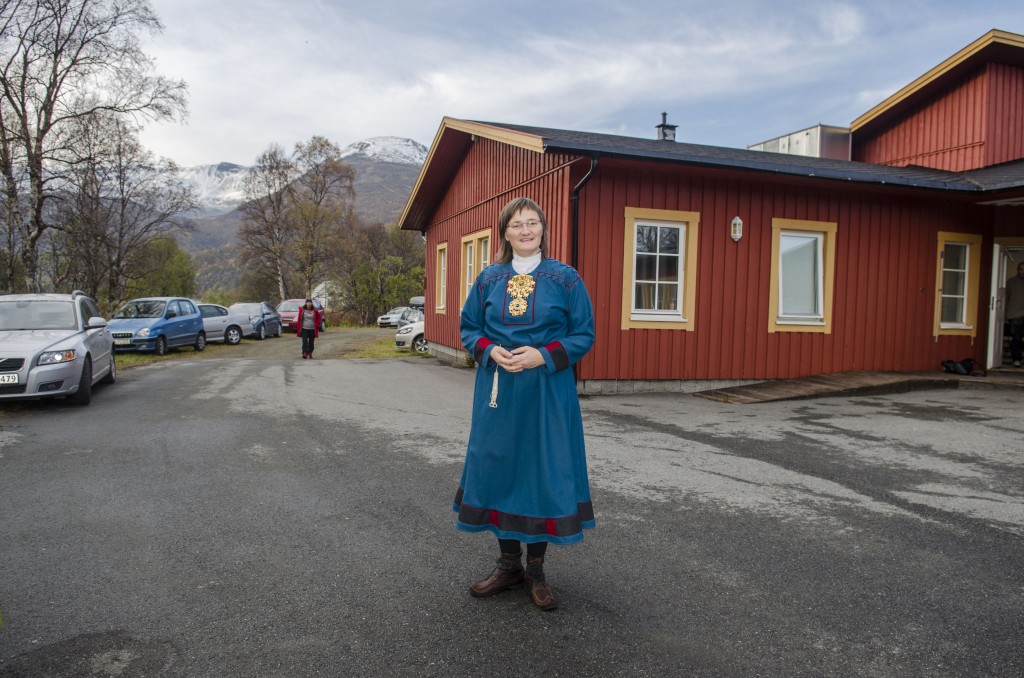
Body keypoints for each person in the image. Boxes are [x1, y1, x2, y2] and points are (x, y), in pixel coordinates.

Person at [454, 196, 596, 611]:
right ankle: (508, 564)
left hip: (547, 390)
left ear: (543, 230)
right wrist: (488, 349)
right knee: (500, 467)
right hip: (498, 390)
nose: (525, 230)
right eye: (516, 224)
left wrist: (543, 354)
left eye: (532, 223)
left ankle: (535, 571)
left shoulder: (566, 279)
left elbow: (583, 334)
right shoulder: (488, 279)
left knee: (539, 471)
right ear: (505, 232)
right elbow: (469, 327)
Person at [1006, 261, 1024, 367]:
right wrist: (1005, 314)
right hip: (1015, 314)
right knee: (1016, 338)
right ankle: (1016, 359)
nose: (1023, 272)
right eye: (1021, 269)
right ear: (1018, 270)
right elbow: (1006, 298)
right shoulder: (1011, 282)